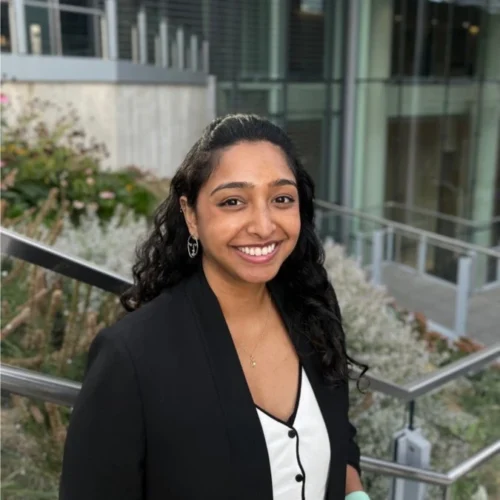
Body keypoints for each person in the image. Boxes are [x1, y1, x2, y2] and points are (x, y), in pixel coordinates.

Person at [59, 114, 370, 500]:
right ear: (191, 215)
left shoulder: (312, 309)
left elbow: (337, 432)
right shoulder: (132, 356)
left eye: (281, 199)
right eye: (233, 201)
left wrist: (355, 493)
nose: (263, 225)